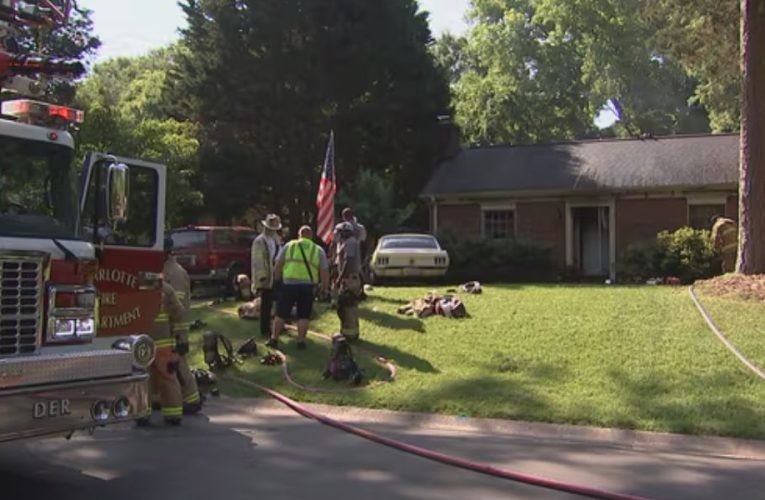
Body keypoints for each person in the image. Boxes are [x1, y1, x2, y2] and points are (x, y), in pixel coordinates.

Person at [266, 225, 329, 351]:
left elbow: (278, 264)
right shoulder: (318, 250)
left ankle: (274, 339)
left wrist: (277, 280)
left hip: (288, 284)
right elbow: (324, 271)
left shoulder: (289, 246)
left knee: (281, 313)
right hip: (307, 286)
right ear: (311, 236)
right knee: (303, 315)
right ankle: (301, 341)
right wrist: (324, 287)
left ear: (299, 235)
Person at [162, 235, 202, 415]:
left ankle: (192, 400)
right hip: (169, 328)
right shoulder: (167, 269)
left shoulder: (174, 272)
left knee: (179, 363)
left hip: (175, 328)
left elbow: (177, 306)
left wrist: (177, 333)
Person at [146, 279, 186, 426]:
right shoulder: (167, 289)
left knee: (143, 380)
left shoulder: (135, 287)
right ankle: (173, 415)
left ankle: (142, 414)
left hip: (142, 344)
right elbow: (179, 313)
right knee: (169, 378)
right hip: (164, 343)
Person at [251, 214, 283, 337]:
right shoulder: (259, 241)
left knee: (278, 303)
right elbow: (258, 261)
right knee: (266, 305)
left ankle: (277, 326)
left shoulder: (276, 240)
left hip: (277, 275)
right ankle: (265, 329)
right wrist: (262, 277)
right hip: (267, 278)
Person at [335, 222, 363, 341]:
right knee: (349, 306)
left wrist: (340, 278)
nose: (338, 235)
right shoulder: (350, 242)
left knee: (347, 305)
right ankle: (350, 332)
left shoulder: (350, 243)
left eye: (340, 232)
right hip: (351, 277)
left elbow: (348, 261)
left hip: (350, 278)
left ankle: (349, 334)